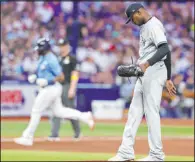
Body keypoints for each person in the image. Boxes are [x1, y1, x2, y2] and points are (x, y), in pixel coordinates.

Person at [109, 3, 176, 161]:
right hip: (146, 72)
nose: (132, 21)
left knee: (151, 112)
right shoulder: (145, 26)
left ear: (138, 12)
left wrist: (148, 65)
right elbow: (163, 51)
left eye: (132, 18)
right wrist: (168, 78)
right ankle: (126, 152)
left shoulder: (153, 25)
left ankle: (157, 155)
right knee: (134, 112)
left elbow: (165, 49)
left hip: (153, 71)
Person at [14, 38, 95, 146]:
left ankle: (28, 137)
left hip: (51, 88)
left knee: (36, 110)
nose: (37, 50)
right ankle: (84, 116)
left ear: (44, 49)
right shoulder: (44, 58)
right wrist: (36, 77)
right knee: (59, 111)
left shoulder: (52, 59)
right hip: (51, 88)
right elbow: (45, 73)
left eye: (39, 48)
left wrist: (48, 81)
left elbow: (61, 76)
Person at [48, 38, 81, 141]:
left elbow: (75, 74)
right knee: (55, 109)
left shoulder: (72, 58)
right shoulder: (57, 59)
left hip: (67, 85)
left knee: (70, 109)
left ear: (67, 46)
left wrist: (72, 88)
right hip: (57, 86)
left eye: (63, 46)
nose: (61, 48)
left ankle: (77, 132)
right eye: (60, 46)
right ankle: (54, 134)